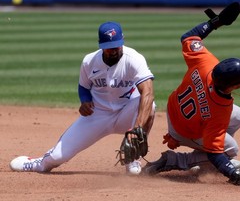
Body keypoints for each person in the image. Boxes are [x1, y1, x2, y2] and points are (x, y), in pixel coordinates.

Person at [10, 21, 155, 175]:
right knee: (57, 156)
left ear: (123, 40)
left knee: (149, 107)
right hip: (97, 115)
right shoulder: (89, 61)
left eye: (116, 46)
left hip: (126, 113)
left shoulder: (134, 59)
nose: (113, 51)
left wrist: (137, 128)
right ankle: (38, 163)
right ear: (101, 45)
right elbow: (84, 87)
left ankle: (133, 156)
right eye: (108, 48)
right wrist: (84, 101)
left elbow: (148, 92)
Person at [143, 2, 240, 187]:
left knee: (239, 116)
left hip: (175, 108)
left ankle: (204, 161)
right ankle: (174, 160)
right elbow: (215, 152)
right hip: (183, 129)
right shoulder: (218, 110)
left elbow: (188, 37)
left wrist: (216, 22)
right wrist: (232, 173)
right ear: (232, 86)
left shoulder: (207, 64)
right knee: (230, 149)